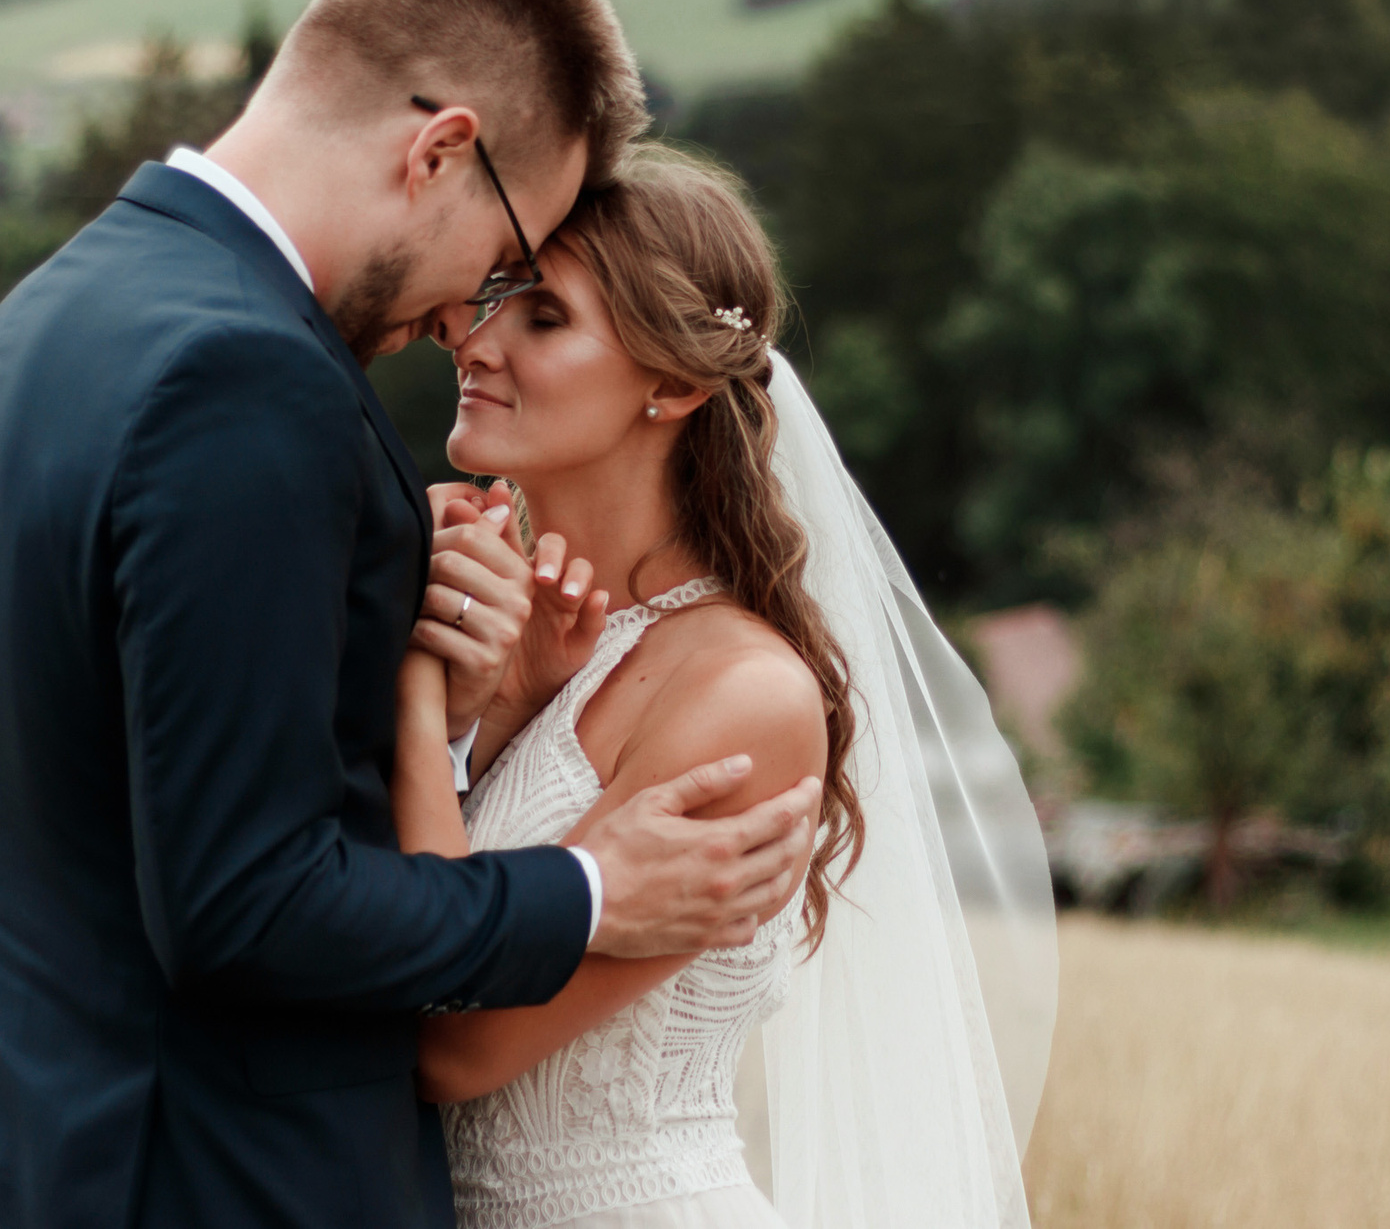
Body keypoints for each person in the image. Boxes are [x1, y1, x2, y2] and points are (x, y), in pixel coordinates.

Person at [0, 0, 824, 1229]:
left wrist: (456, 714)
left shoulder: (62, 304)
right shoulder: (246, 377)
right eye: (503, 260)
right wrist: (589, 886)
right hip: (210, 1181)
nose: (468, 317)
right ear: (439, 149)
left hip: (33, 1151)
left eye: (535, 301)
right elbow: (240, 897)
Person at [390, 147, 1057, 1229]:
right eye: (492, 299)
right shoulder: (538, 646)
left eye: (544, 317)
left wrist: (413, 696)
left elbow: (448, 1042)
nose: (475, 339)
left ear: (675, 384)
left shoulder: (744, 696)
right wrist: (487, 715)